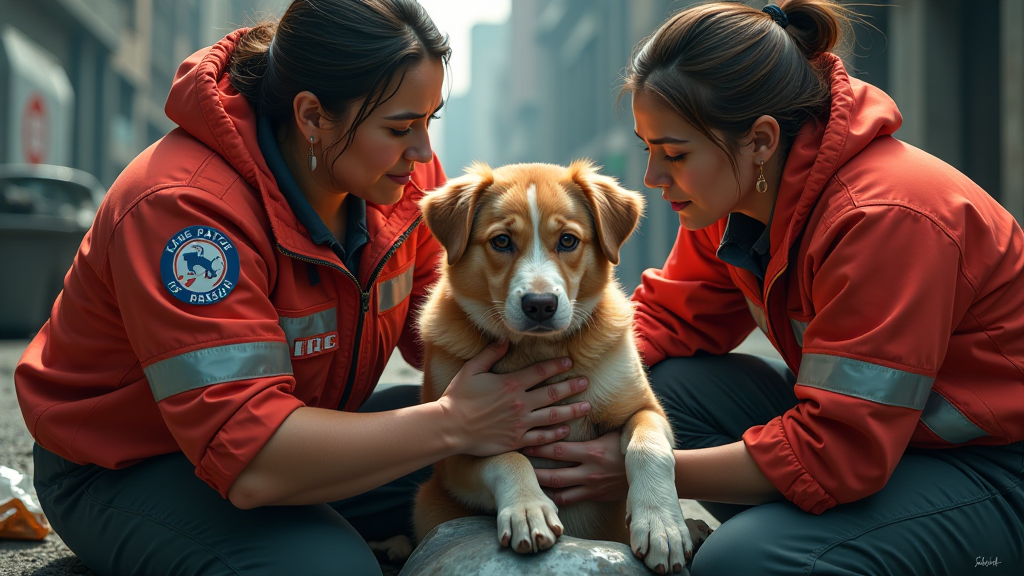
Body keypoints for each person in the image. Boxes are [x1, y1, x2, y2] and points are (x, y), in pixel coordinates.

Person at [13, 1, 589, 574]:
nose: (422, 152)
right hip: (132, 465)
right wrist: (454, 424)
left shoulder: (400, 181)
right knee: (332, 570)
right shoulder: (185, 212)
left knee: (556, 445)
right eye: (400, 127)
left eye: (429, 121)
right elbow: (251, 455)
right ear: (313, 116)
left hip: (306, 425)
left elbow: (471, 326)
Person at [523, 1, 1024, 574]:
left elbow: (841, 453)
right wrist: (527, 390)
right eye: (649, 149)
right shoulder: (732, 196)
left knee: (740, 562)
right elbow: (662, 321)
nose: (652, 179)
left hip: (991, 468)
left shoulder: (886, 218)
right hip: (883, 442)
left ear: (759, 140)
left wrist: (644, 467)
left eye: (675, 154)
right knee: (662, 384)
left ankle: (802, 547)